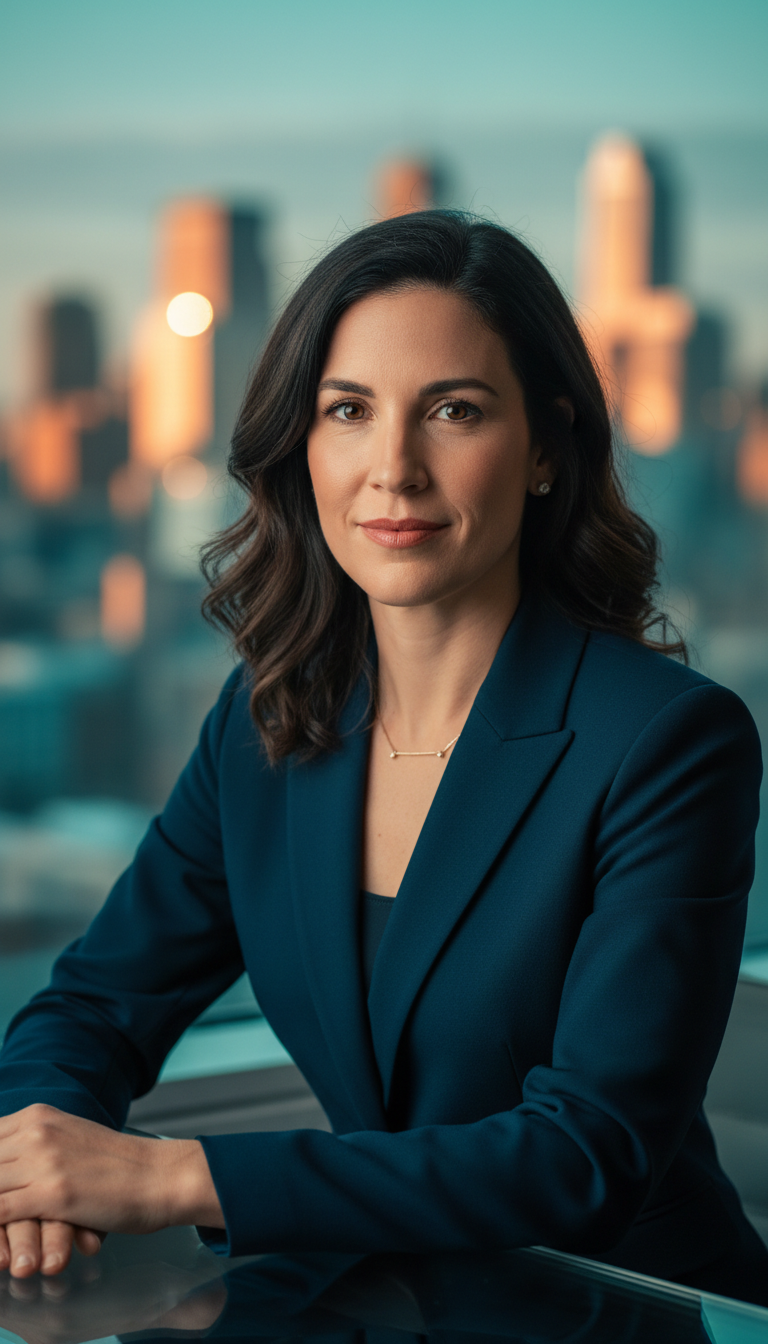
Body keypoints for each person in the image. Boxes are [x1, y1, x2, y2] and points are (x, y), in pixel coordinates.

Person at [0, 210, 766, 1305]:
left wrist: (173, 1176)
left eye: (454, 411)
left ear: (547, 446)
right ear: (301, 446)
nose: (393, 470)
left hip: (621, 1308)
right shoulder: (266, 723)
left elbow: (580, 1154)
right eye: (348, 412)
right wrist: (38, 1167)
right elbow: (91, 1006)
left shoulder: (667, 742)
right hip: (385, 1305)